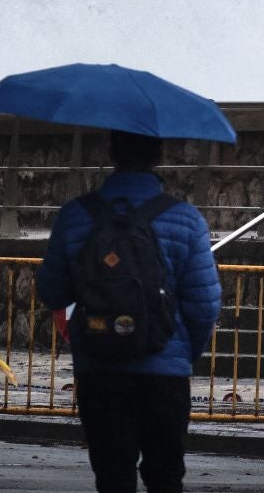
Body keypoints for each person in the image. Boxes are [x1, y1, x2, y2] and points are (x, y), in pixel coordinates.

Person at [36, 131, 221, 493]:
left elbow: (51, 290)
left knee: (112, 476)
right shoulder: (185, 219)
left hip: (99, 370)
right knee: (166, 476)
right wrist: (183, 355)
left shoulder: (76, 216)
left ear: (112, 152)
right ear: (158, 155)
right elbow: (204, 305)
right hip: (164, 373)